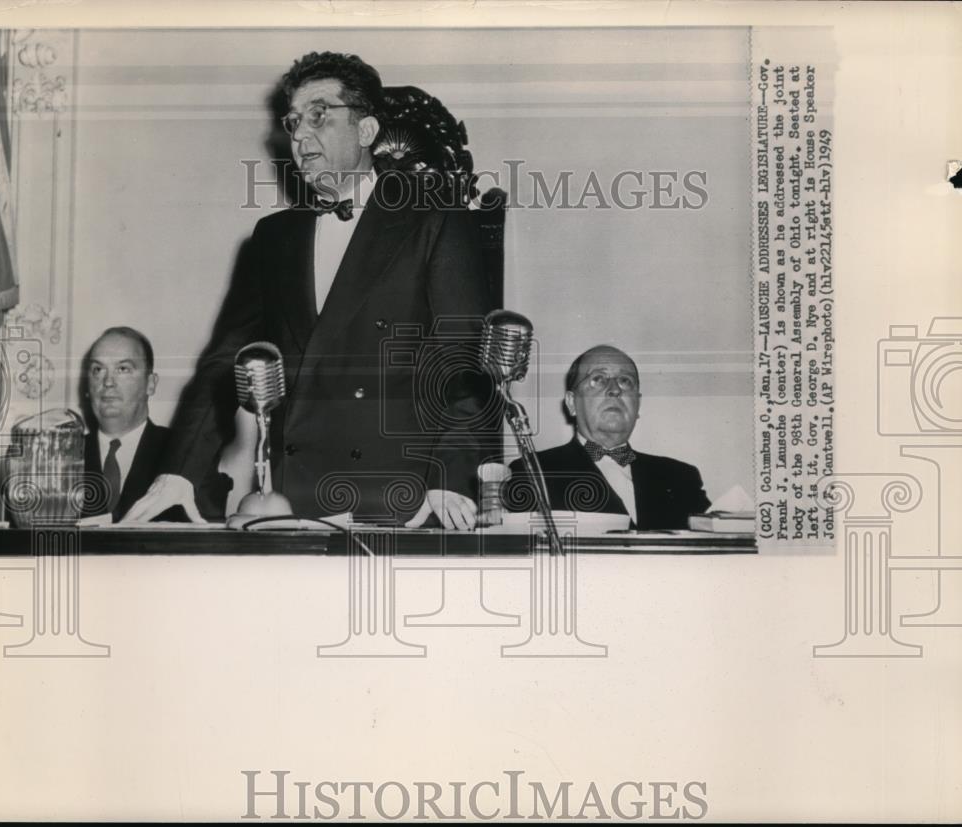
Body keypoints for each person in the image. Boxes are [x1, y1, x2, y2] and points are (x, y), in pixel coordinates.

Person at [124, 51, 491, 529]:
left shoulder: (436, 219)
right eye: (294, 120)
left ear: (365, 131)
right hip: (293, 500)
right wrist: (180, 471)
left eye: (319, 115)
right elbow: (224, 362)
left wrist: (451, 474)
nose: (298, 135)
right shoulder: (273, 237)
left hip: (406, 500)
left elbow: (465, 361)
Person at [506, 345, 711, 530]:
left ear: (637, 404)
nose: (614, 390)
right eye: (598, 379)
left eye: (625, 381)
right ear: (571, 403)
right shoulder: (530, 472)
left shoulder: (682, 477)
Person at [81, 327, 183, 522]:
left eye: (123, 369)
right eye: (98, 370)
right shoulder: (61, 457)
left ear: (150, 384)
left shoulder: (182, 452)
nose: (108, 382)